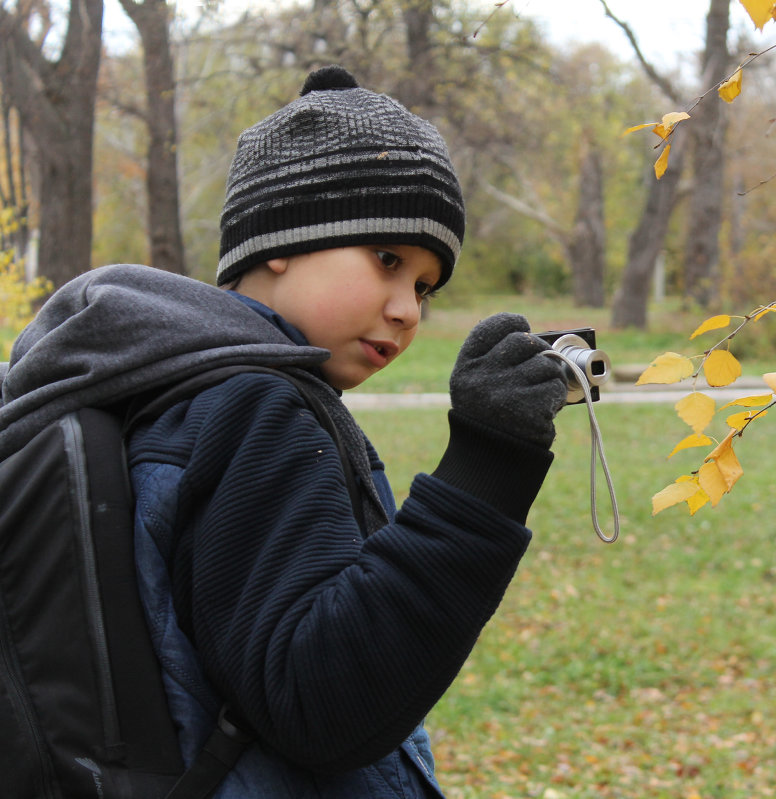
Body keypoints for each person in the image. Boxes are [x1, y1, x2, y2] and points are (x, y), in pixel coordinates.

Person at [0, 65, 568, 796]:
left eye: (425, 286)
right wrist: (487, 469)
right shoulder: (252, 406)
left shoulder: (154, 379)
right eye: (387, 260)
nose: (407, 309)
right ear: (282, 238)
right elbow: (324, 700)